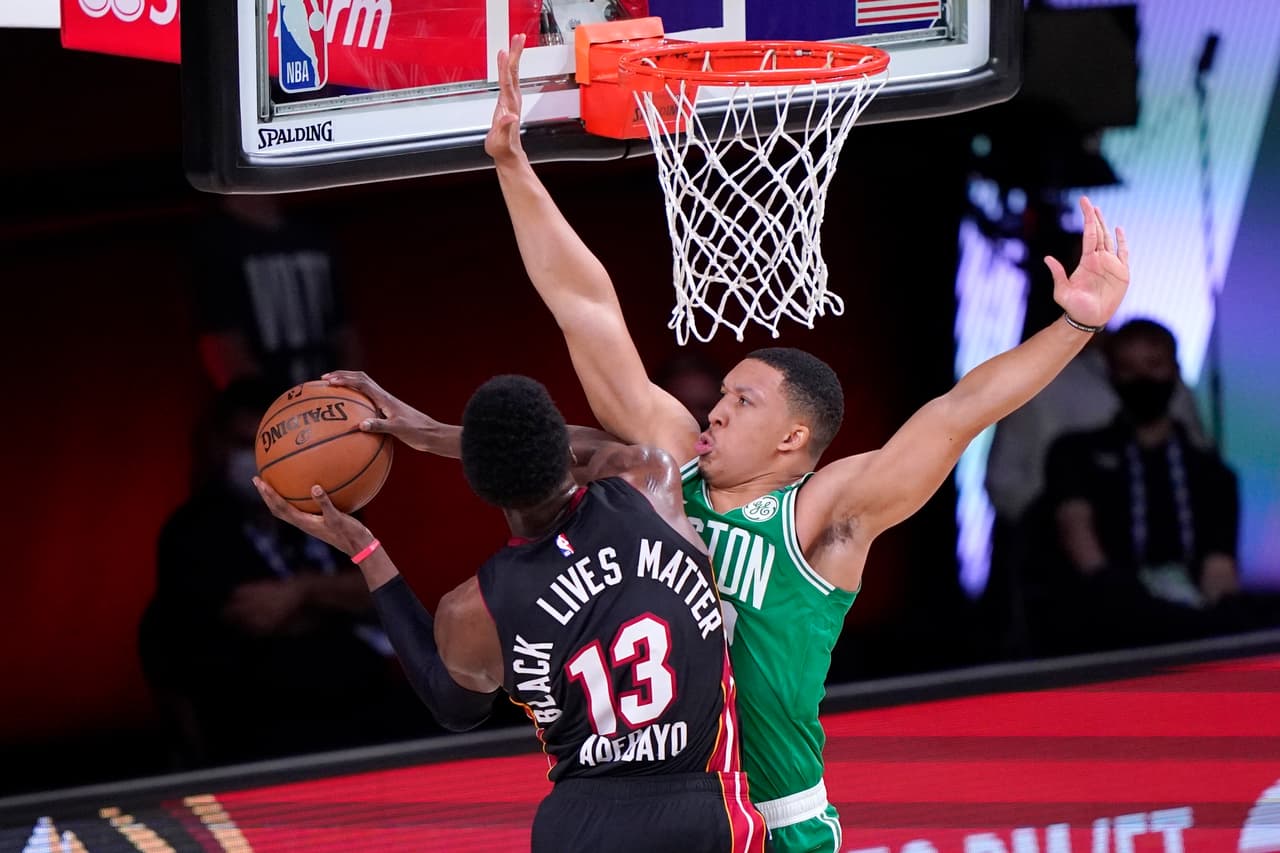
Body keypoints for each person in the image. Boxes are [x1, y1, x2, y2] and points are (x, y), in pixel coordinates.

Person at [476, 35, 1132, 852]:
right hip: (669, 808)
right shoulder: (672, 466)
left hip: (778, 821)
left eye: (739, 400)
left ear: (793, 436)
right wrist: (513, 167)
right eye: (719, 397)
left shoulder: (821, 517)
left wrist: (1075, 323)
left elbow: (958, 411)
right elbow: (588, 310)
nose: (711, 411)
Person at [255, 375, 768, 853]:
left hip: (582, 823)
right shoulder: (648, 483)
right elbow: (584, 449)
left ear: (479, 487)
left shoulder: (474, 609)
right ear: (564, 449)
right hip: (709, 807)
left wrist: (364, 549)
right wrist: (430, 433)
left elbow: (454, 707)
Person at [139, 379, 422, 767]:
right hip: (260, 733)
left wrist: (300, 594)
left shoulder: (330, 502)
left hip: (366, 717)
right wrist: (334, 599)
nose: (253, 461)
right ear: (216, 448)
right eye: (241, 445)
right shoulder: (192, 532)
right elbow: (253, 616)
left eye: (262, 446)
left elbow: (383, 589)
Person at [1040, 319, 1243, 651]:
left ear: (1175, 371)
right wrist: (1133, 603)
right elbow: (1079, 538)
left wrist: (1212, 621)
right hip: (1109, 626)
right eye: (1128, 369)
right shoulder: (1074, 455)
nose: (1142, 380)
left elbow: (1219, 572)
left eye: (1153, 365)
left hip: (1195, 629)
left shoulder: (1213, 475)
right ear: (1111, 375)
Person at [191, 194, 360, 392]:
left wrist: (350, 390)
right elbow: (220, 342)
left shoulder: (310, 232)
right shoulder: (215, 242)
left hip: (327, 390)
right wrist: (249, 402)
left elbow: (344, 330)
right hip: (264, 397)